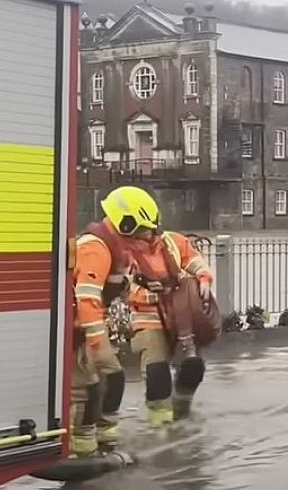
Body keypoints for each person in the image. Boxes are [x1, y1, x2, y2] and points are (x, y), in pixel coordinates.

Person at [75, 186, 215, 436]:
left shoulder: (171, 242)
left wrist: (203, 278)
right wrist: (99, 342)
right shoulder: (110, 248)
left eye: (150, 229)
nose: (146, 236)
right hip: (145, 314)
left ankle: (182, 413)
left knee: (193, 366)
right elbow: (91, 295)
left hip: (179, 315)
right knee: (156, 371)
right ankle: (159, 427)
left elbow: (192, 258)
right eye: (141, 231)